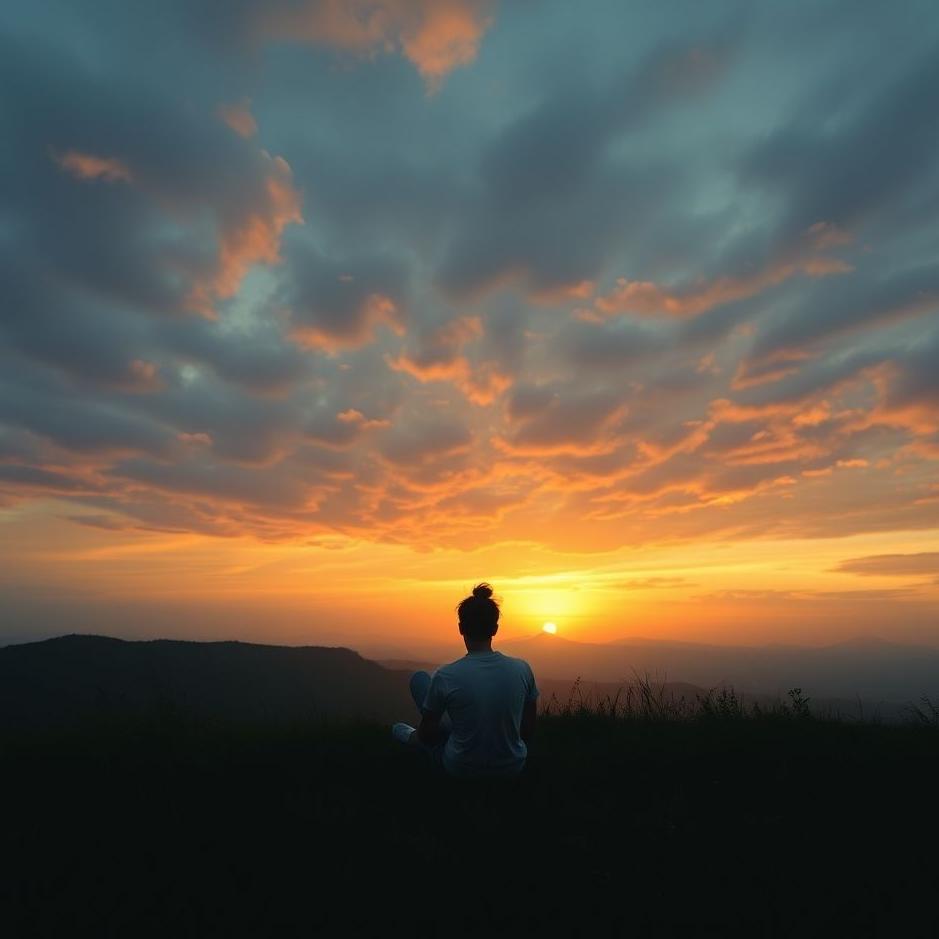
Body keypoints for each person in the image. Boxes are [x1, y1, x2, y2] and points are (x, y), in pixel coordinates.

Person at [392, 583, 539, 778]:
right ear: (495, 629)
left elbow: (427, 736)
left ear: (461, 628)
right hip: (512, 766)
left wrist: (418, 736)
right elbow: (527, 731)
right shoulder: (522, 669)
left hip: (461, 768)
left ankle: (410, 735)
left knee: (403, 719)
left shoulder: (446, 675)